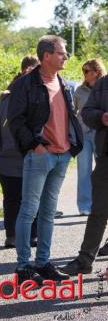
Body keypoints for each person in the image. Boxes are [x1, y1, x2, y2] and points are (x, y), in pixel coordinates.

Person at [7, 35, 83, 285]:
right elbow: (15, 121)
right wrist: (34, 146)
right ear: (46, 55)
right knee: (29, 210)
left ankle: (43, 263)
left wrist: (73, 147)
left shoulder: (65, 84)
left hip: (62, 156)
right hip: (40, 155)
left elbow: (71, 117)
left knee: (49, 213)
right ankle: (23, 266)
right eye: (62, 53)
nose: (66, 57)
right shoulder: (26, 84)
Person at [0, 55, 40, 248]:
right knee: (12, 200)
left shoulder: (41, 101)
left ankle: (32, 235)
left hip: (34, 159)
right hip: (8, 162)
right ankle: (11, 235)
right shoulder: (7, 101)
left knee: (33, 199)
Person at [60, 74, 108, 275]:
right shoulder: (104, 83)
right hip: (106, 157)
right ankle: (85, 259)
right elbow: (87, 113)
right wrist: (101, 117)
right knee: (98, 211)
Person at [73, 59, 106, 216]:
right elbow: (72, 113)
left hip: (101, 134)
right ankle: (85, 206)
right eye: (83, 71)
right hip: (84, 135)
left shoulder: (104, 89)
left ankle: (101, 204)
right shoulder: (79, 91)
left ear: (97, 72)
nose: (84, 74)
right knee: (84, 170)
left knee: (102, 170)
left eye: (87, 71)